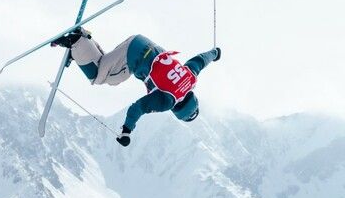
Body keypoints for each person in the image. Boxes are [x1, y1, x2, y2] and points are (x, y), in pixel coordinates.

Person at [51, 29, 221, 146]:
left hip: (142, 43)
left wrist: (215, 54)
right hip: (135, 55)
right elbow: (137, 108)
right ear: (178, 112)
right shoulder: (167, 100)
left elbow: (200, 60)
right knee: (98, 77)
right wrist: (126, 131)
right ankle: (76, 42)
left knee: (113, 75)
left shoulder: (190, 79)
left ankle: (83, 41)